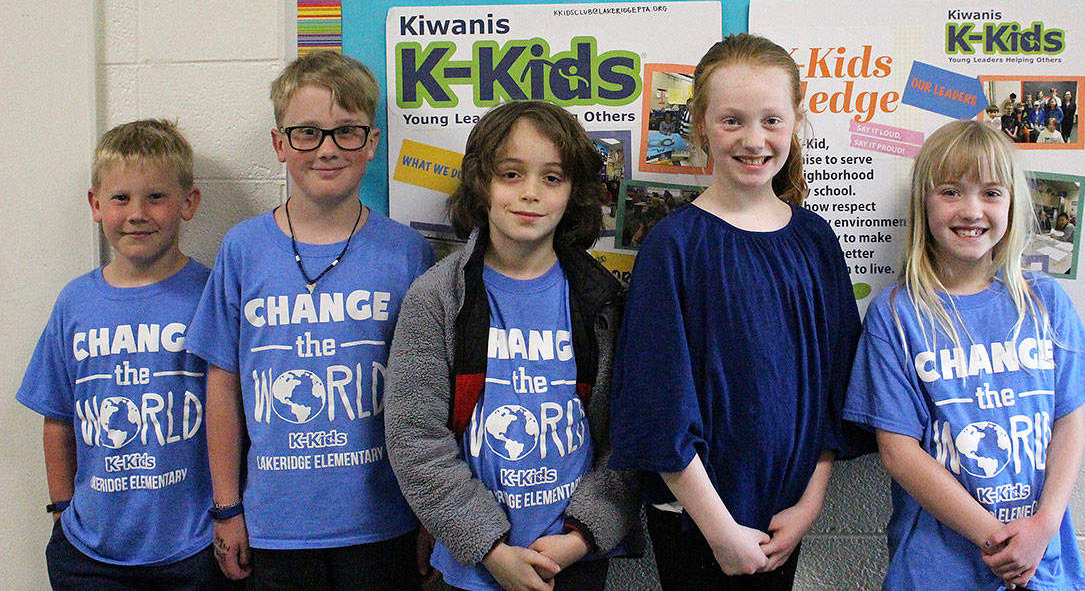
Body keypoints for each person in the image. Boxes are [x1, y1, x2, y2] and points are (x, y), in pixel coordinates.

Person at [609, 33, 869, 589]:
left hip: (786, 516)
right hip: (695, 522)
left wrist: (809, 506)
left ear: (797, 120)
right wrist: (719, 528)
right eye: (733, 121)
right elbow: (657, 405)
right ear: (700, 125)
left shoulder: (816, 241)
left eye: (771, 120)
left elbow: (834, 389)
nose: (754, 140)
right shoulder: (672, 247)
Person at [185, 52, 435, 589]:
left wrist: (430, 513)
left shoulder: (407, 253)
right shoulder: (243, 249)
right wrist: (227, 508)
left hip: (384, 522)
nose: (326, 148)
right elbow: (223, 384)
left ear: (372, 143)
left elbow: (428, 395)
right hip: (275, 526)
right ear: (279, 145)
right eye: (307, 132)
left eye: (347, 132)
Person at [843, 120, 1085, 590]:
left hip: (1043, 562)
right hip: (936, 569)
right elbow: (898, 452)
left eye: (991, 193)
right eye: (951, 191)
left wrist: (1043, 528)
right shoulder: (895, 316)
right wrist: (996, 540)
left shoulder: (1045, 303)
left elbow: (1070, 422)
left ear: (1012, 204)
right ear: (923, 204)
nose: (972, 210)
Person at [385, 100, 639, 591]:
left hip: (572, 558)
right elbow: (414, 437)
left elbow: (624, 438)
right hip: (475, 566)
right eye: (510, 174)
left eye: (552, 178)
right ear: (482, 182)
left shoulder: (601, 300)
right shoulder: (438, 297)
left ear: (572, 192)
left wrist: (582, 538)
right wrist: (489, 548)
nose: (530, 194)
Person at [18, 119, 228, 589]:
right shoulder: (75, 303)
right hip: (91, 552)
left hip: (192, 547)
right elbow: (57, 417)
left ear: (188, 202)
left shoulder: (211, 294)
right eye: (120, 198)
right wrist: (60, 510)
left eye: (156, 197)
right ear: (95, 205)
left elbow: (232, 413)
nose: (137, 213)